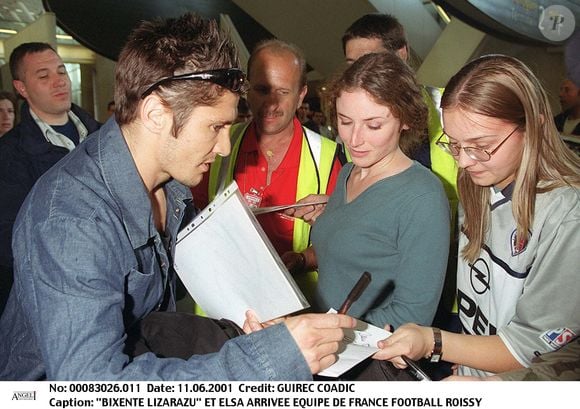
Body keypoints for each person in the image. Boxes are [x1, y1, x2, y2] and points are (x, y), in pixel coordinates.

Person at [0, 13, 356, 381]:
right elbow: (95, 388)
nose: (223, 148)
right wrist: (264, 362)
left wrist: (255, 316)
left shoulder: (172, 186)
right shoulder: (71, 219)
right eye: (215, 127)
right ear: (156, 114)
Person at [372, 54, 580, 378]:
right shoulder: (478, 182)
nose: (465, 162)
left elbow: (529, 347)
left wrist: (434, 341)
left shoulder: (567, 216)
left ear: (534, 126)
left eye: (481, 145)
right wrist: (469, 356)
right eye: (454, 145)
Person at [286, 52, 449, 330]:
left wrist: (326, 329)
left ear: (406, 120)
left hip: (363, 356)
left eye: (373, 125)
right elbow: (349, 255)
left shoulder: (424, 197)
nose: (354, 139)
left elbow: (413, 317)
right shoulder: (349, 173)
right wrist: (301, 260)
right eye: (345, 121)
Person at [194, 39, 343, 301]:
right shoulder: (216, 149)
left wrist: (303, 258)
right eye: (262, 90)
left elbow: (344, 241)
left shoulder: (329, 158)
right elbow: (192, 229)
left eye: (283, 92)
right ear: (246, 90)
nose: (271, 104)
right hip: (226, 309)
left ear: (301, 95)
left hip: (299, 309)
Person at [0, 42, 100, 315]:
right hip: (54, 299)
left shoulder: (105, 138)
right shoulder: (10, 156)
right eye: (44, 76)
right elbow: (10, 241)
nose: (59, 82)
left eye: (61, 72)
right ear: (22, 88)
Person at [342, 13, 458, 213]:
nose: (361, 70)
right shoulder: (351, 126)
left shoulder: (450, 107)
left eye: (371, 59)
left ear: (402, 53)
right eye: (352, 63)